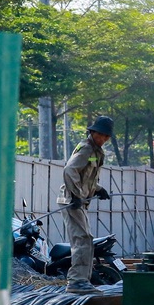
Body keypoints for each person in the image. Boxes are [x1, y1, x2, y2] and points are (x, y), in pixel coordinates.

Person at [58, 116, 113, 294]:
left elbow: (86, 177)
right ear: (92, 132)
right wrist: (75, 195)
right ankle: (76, 281)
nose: (103, 139)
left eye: (106, 136)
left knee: (86, 239)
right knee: (82, 239)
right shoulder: (87, 148)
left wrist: (98, 189)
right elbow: (69, 170)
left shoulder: (96, 151)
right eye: (100, 135)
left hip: (79, 200)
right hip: (71, 201)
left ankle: (83, 281)